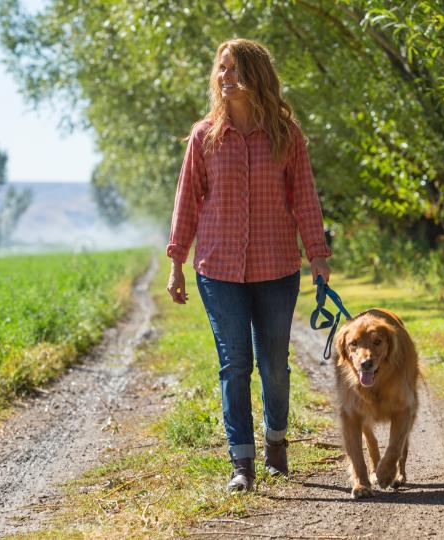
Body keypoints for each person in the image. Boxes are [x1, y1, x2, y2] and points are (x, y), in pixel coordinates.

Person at [166, 38, 331, 492]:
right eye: (222, 69)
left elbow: (305, 198)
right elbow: (187, 202)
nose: (226, 77)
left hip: (277, 267)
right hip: (218, 270)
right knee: (234, 364)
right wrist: (177, 260)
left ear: (256, 76)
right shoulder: (204, 137)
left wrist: (317, 254)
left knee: (274, 364)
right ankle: (242, 463)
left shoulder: (285, 133)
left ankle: (276, 442)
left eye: (235, 69)